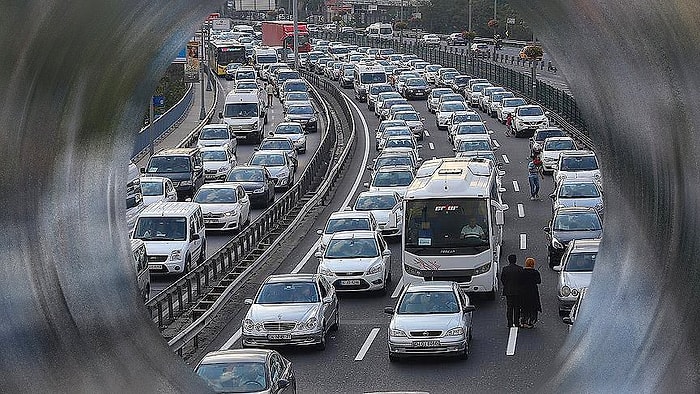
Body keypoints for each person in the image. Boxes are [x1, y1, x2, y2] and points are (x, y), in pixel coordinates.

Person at [500, 254, 523, 328]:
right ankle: (516, 322)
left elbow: (502, 279)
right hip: (518, 291)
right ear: (515, 260)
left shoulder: (505, 269)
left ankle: (509, 323)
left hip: (508, 291)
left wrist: (506, 285)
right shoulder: (520, 269)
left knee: (509, 307)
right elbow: (522, 280)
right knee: (517, 307)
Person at [520, 257, 542, 328]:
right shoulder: (535, 272)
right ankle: (530, 322)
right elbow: (538, 281)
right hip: (533, 291)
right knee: (532, 307)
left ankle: (523, 321)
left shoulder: (522, 272)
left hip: (523, 291)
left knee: (524, 306)